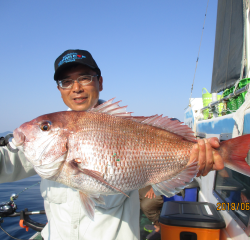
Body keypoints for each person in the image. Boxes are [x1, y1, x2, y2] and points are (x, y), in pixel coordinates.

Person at [0, 49, 224, 240]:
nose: (76, 87)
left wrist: (197, 157)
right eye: (66, 81)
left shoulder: (123, 125)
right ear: (60, 89)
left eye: (85, 77)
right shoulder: (40, 146)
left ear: (100, 82)